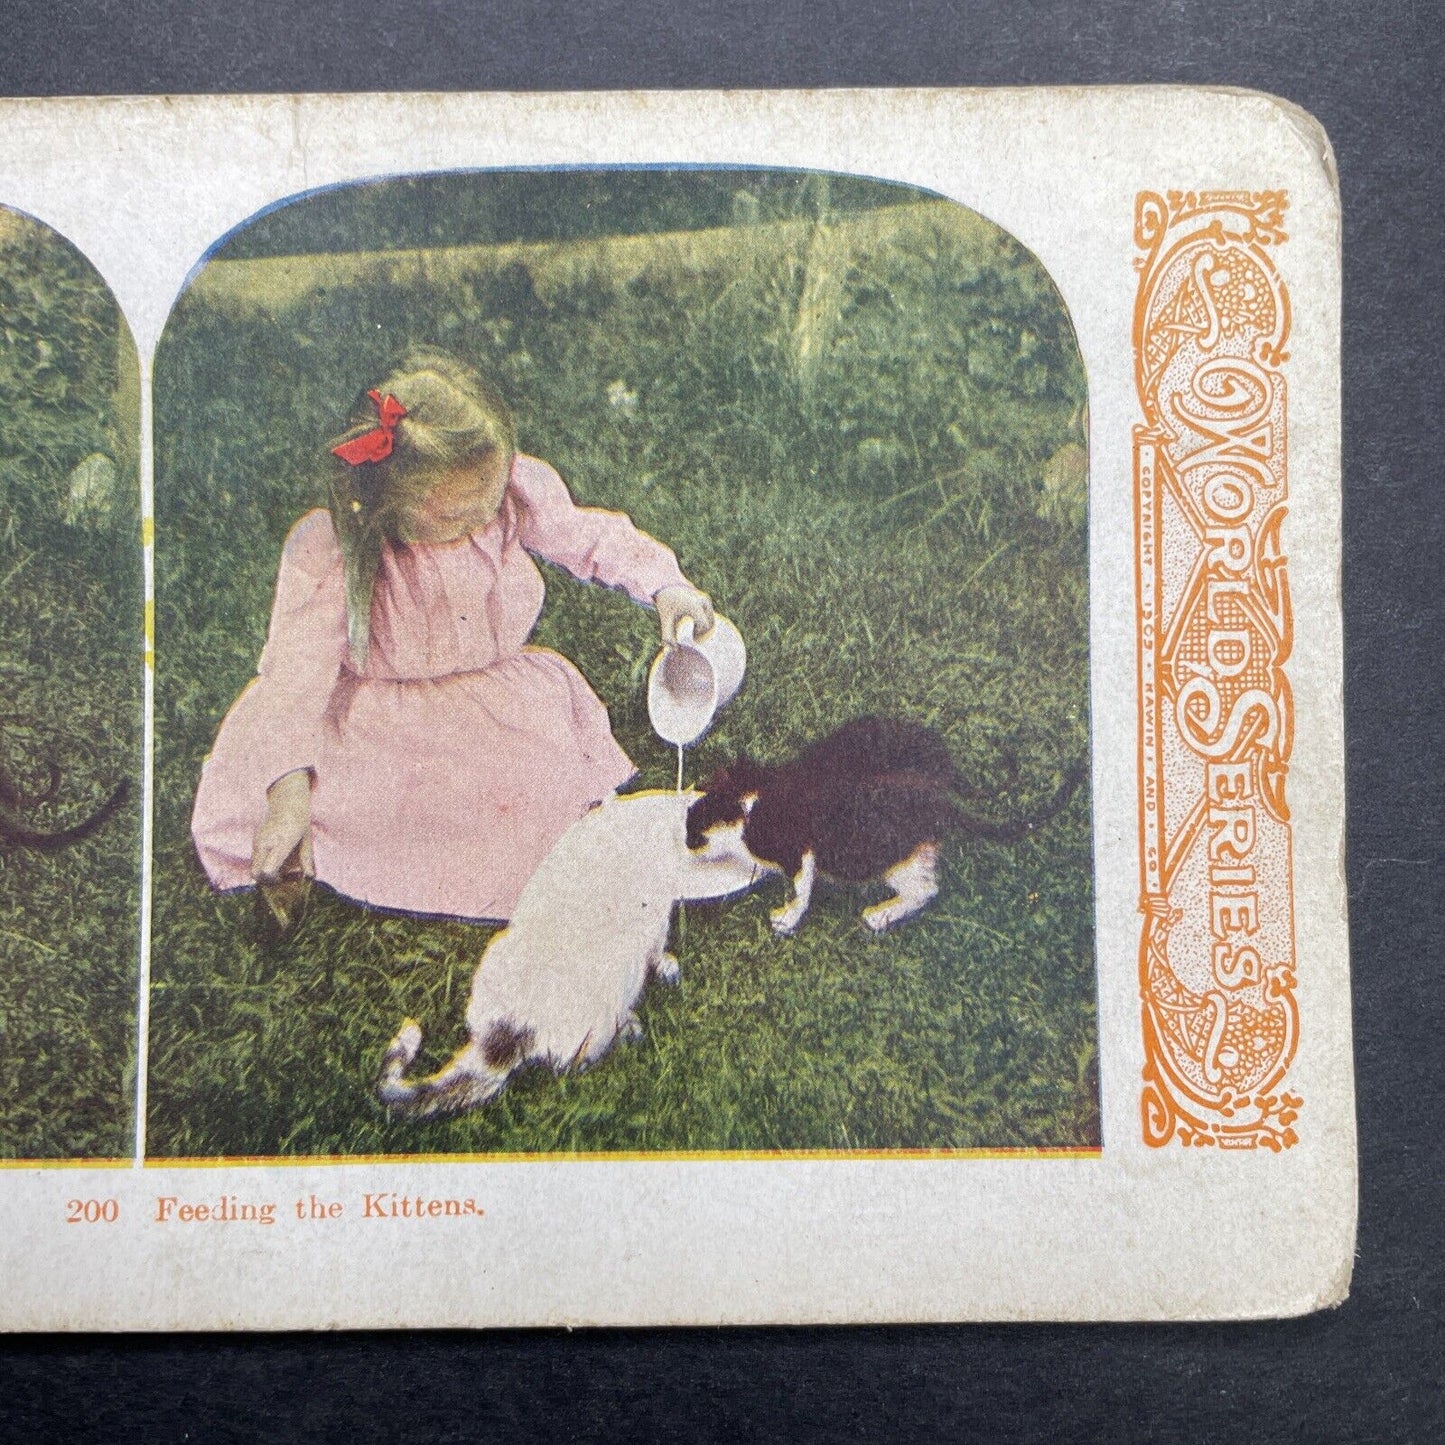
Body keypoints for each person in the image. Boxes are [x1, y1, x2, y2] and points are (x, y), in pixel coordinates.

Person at [190, 349, 714, 927]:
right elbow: (295, 676)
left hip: (492, 700)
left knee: (528, 791)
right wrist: (287, 791)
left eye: (486, 507)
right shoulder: (339, 548)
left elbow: (585, 535)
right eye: (454, 518)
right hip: (375, 719)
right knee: (356, 803)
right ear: (388, 502)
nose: (479, 522)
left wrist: (663, 585)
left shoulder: (504, 494)